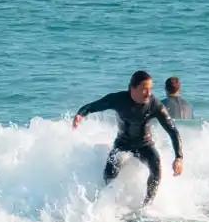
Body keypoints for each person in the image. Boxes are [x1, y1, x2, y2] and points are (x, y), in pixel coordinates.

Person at [74, 70, 184, 202]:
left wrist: (179, 157)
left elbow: (172, 130)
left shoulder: (155, 105)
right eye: (144, 89)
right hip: (122, 144)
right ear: (133, 88)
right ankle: (106, 202)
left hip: (145, 145)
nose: (149, 93)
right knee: (111, 168)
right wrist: (80, 114)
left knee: (156, 166)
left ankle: (147, 205)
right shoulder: (119, 99)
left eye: (151, 89)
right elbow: (93, 106)